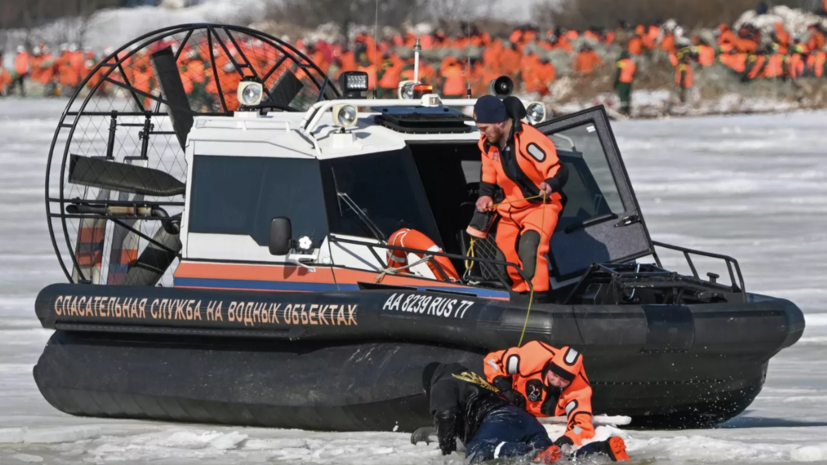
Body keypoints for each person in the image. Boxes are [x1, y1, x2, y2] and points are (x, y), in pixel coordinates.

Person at [421, 362, 630, 463]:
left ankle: (532, 452)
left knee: (478, 449)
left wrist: (445, 455)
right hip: (525, 421)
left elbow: (445, 415)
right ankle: (604, 449)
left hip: (498, 419)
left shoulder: (442, 383)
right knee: (559, 460)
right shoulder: (469, 378)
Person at [473, 95, 567, 297]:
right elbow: (489, 171)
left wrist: (549, 184)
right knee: (504, 257)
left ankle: (539, 297)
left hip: (541, 205)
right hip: (512, 207)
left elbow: (557, 169)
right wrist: (485, 195)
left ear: (499, 122)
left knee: (529, 248)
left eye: (484, 127)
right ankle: (518, 295)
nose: (481, 132)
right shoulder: (487, 143)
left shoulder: (530, 140)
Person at [483, 341, 596, 447]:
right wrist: (504, 387)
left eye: (563, 380)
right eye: (554, 376)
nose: (556, 383)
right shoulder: (532, 355)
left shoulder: (580, 390)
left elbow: (581, 427)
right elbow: (491, 360)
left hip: (543, 422)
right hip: (514, 404)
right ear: (549, 367)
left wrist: (568, 439)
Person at [614, 51, 636, 116]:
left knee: (622, 95)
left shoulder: (621, 63)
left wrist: (615, 82)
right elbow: (634, 73)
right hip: (629, 81)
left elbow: (618, 73)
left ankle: (623, 110)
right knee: (627, 95)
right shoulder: (631, 63)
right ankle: (628, 109)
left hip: (622, 81)